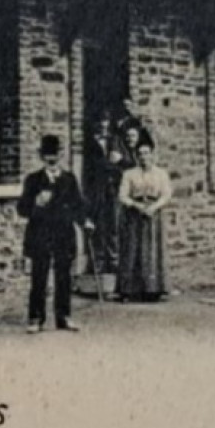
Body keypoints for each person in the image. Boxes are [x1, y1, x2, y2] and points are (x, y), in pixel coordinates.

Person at [18, 134, 87, 333]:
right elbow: (22, 209)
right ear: (41, 156)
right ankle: (36, 318)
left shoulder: (69, 179)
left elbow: (78, 206)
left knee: (64, 276)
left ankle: (63, 317)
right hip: (40, 234)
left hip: (63, 234)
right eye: (47, 154)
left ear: (62, 155)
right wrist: (35, 204)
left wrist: (85, 221)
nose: (52, 158)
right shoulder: (33, 180)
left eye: (55, 154)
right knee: (39, 276)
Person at [116, 140, 173, 302]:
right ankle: (128, 290)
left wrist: (154, 207)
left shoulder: (161, 174)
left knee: (152, 250)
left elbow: (166, 194)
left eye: (146, 153)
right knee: (132, 249)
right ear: (136, 156)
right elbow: (122, 195)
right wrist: (136, 205)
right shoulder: (129, 174)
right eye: (140, 154)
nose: (143, 157)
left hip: (153, 214)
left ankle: (153, 289)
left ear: (153, 155)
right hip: (134, 215)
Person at [83, 111, 125, 293]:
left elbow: (124, 165)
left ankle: (114, 263)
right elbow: (92, 166)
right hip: (98, 190)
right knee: (99, 225)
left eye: (106, 122)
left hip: (114, 190)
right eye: (101, 122)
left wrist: (119, 162)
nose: (104, 125)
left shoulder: (116, 141)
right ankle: (98, 264)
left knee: (114, 226)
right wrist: (109, 165)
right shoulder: (91, 143)